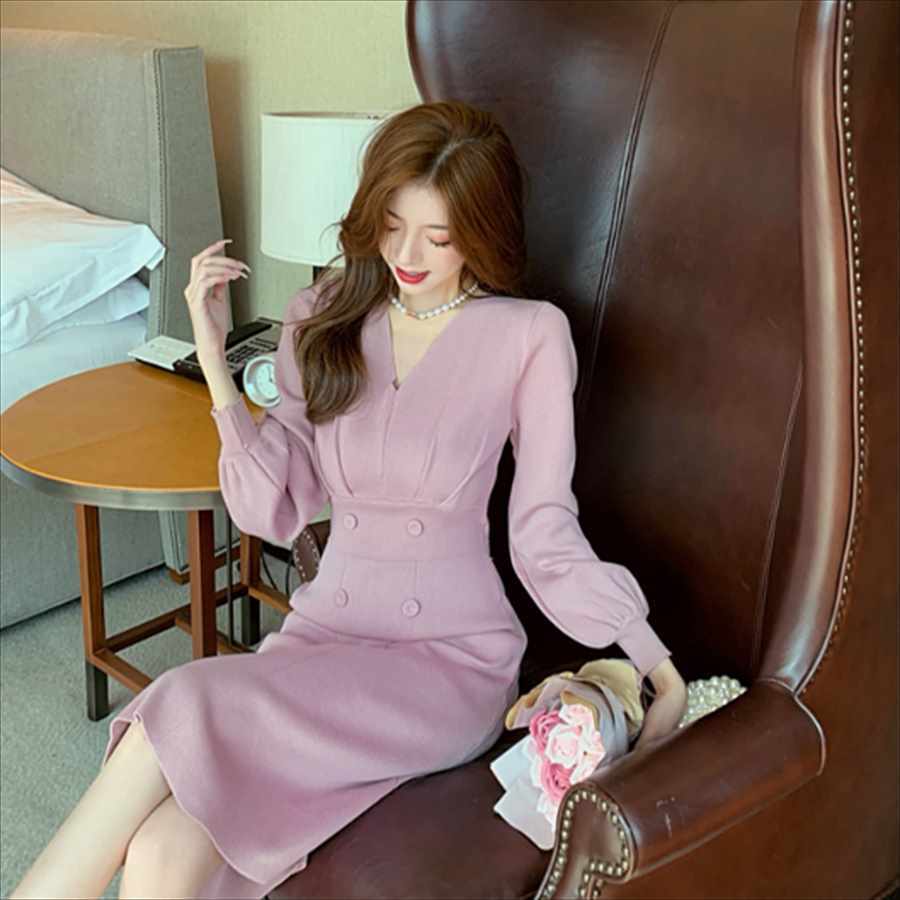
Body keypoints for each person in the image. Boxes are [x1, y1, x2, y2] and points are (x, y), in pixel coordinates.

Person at [11, 100, 686, 900]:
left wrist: (651, 658)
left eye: (438, 237)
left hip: (447, 661)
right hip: (323, 634)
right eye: (392, 226)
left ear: (481, 233)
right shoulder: (323, 318)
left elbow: (542, 531)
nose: (407, 254)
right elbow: (274, 508)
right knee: (162, 847)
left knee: (180, 699)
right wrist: (217, 366)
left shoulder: (528, 335)